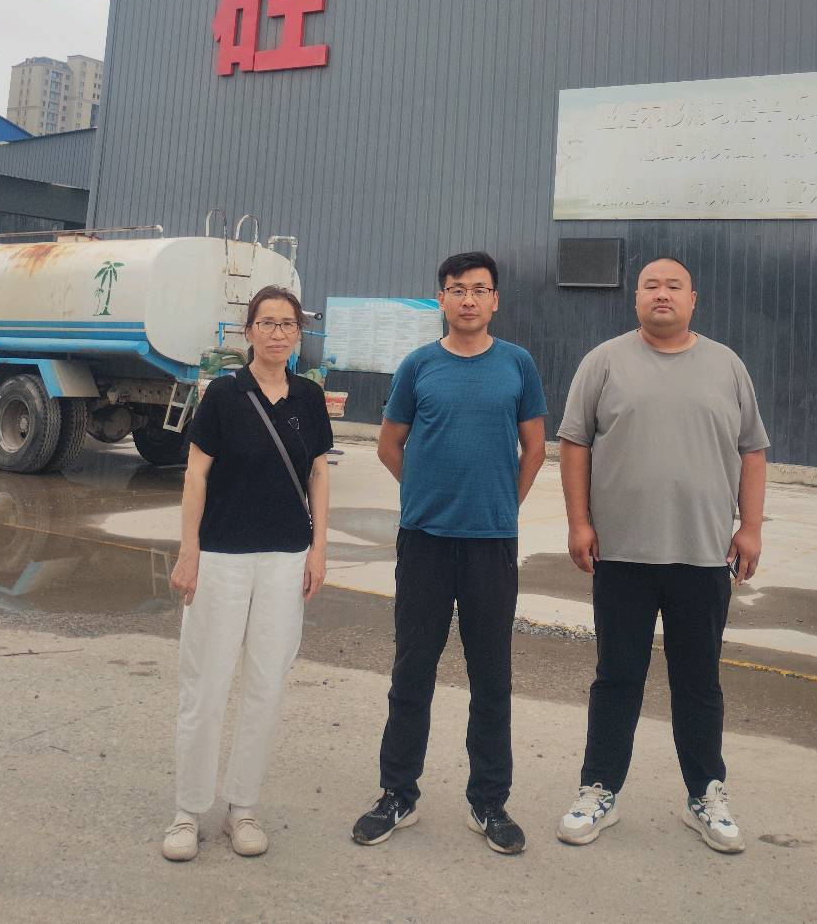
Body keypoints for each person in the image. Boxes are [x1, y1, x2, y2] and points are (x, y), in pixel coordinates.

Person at [555, 257, 768, 854]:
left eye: (674, 286)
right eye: (651, 285)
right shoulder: (604, 362)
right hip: (621, 553)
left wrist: (751, 527)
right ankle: (599, 789)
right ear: (636, 299)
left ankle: (706, 794)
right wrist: (579, 521)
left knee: (698, 682)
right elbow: (573, 443)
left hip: (702, 554)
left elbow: (752, 450)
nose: (662, 294)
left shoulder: (727, 366)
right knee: (617, 678)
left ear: (693, 299)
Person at [351, 251, 547, 856]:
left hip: (492, 544)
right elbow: (389, 445)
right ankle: (397, 793)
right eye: (457, 289)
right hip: (425, 543)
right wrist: (426, 494)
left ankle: (489, 801)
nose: (468, 299)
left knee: (492, 677)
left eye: (479, 290)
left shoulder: (517, 364)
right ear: (441, 298)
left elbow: (535, 448)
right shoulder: (419, 365)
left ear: (495, 301)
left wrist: (501, 505)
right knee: (412, 671)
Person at [161, 285, 330, 862]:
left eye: (287, 324)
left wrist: (318, 550)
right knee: (205, 687)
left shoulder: (309, 397)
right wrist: (189, 551)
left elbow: (318, 475)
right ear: (249, 330)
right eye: (267, 322)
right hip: (222, 558)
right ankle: (188, 811)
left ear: (298, 334)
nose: (277, 333)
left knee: (266, 687)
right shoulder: (224, 396)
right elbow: (195, 475)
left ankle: (243, 807)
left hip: (285, 560)